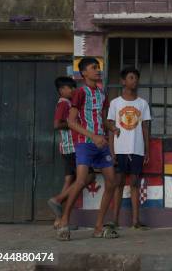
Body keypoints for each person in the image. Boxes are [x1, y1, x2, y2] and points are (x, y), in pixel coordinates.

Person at [55, 57, 118, 241]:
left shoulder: (102, 93)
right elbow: (71, 122)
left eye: (98, 67)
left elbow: (102, 118)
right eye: (93, 67)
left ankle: (98, 227)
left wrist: (112, 128)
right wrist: (93, 136)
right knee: (81, 180)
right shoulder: (79, 93)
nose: (98, 70)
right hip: (84, 143)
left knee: (112, 182)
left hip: (101, 144)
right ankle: (64, 220)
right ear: (84, 73)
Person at [47, 77, 94, 230]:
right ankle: (57, 200)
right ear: (61, 90)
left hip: (67, 148)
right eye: (70, 88)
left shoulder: (68, 103)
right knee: (88, 176)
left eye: (74, 88)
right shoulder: (64, 103)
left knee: (69, 181)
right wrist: (74, 124)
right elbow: (56, 124)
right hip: (73, 147)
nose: (73, 90)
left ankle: (59, 221)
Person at [107, 67, 151, 230]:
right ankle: (115, 220)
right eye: (131, 78)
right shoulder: (115, 103)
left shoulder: (142, 103)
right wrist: (112, 151)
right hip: (119, 150)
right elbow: (111, 128)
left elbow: (145, 128)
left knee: (134, 183)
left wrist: (147, 150)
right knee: (118, 184)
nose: (135, 81)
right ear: (123, 81)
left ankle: (135, 221)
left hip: (137, 149)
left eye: (136, 78)